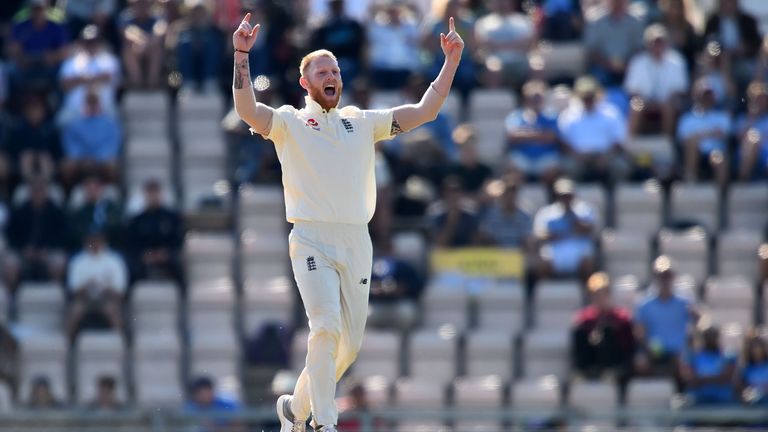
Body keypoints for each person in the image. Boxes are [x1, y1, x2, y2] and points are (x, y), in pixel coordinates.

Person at [232, 10, 465, 432]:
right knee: (325, 327)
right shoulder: (288, 122)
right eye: (322, 71)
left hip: (357, 240)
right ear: (305, 82)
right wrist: (241, 55)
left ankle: (295, 409)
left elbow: (425, 111)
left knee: (348, 346)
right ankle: (324, 422)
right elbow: (247, 110)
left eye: (335, 70)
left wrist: (450, 62)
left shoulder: (362, 122)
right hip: (311, 238)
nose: (331, 76)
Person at [634, 256, 699, 378]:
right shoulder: (644, 305)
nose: (664, 279)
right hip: (653, 354)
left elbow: (698, 324)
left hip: (679, 355)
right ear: (655, 277)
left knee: (687, 364)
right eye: (661, 276)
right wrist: (646, 350)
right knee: (640, 362)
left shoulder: (685, 303)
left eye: (668, 275)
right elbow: (640, 333)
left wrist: (696, 316)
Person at [558, 76, 630, 184]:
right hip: (578, 157)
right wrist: (577, 156)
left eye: (590, 96)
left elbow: (619, 141)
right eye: (584, 96)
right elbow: (564, 143)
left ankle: (614, 194)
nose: (588, 99)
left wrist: (606, 157)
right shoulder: (568, 115)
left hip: (607, 155)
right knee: (567, 167)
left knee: (620, 167)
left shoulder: (611, 113)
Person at [624, 24, 688, 137]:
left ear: (666, 43)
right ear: (647, 44)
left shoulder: (677, 62)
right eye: (654, 42)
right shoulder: (638, 62)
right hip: (644, 101)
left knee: (668, 106)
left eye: (660, 42)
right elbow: (632, 90)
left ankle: (667, 141)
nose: (657, 45)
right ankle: (631, 141)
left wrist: (664, 101)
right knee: (636, 106)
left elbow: (680, 89)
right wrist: (646, 101)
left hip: (668, 101)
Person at [3, 177, 67, 290]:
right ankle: (12, 295)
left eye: (41, 190)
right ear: (30, 192)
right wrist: (23, 248)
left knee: (59, 261)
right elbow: (11, 235)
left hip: (48, 252)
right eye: (35, 191)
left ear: (46, 192)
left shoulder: (56, 212)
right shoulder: (19, 211)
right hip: (24, 252)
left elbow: (62, 236)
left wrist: (48, 249)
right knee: (10, 262)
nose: (38, 194)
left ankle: (55, 293)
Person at [571, 272, 634, 380]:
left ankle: (610, 371)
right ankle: (582, 372)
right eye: (596, 294)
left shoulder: (621, 316)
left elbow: (628, 344)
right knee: (580, 332)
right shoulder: (585, 317)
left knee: (607, 330)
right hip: (593, 357)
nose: (599, 298)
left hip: (616, 359)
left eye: (603, 293)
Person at [66, 230, 127, 341]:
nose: (95, 243)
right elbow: (73, 291)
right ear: (86, 242)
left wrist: (103, 287)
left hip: (107, 299)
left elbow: (120, 292)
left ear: (104, 242)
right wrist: (88, 285)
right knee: (74, 311)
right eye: (92, 240)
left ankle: (119, 344)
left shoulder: (114, 261)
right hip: (84, 300)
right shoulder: (78, 261)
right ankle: (68, 345)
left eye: (98, 240)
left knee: (113, 311)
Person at [533, 177, 596, 281]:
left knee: (588, 263)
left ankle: (584, 289)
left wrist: (575, 221)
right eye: (563, 196)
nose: (566, 199)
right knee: (543, 264)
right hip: (555, 250)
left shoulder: (584, 211)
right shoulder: (546, 213)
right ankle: (546, 288)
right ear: (557, 196)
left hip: (578, 249)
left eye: (568, 196)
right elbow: (539, 234)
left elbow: (592, 229)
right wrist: (554, 235)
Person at [58, 24, 120, 126]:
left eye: (94, 41)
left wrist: (81, 79)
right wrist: (93, 78)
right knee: (61, 122)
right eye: (88, 42)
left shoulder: (110, 61)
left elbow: (110, 79)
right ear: (81, 43)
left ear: (100, 42)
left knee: (115, 120)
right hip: (76, 110)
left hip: (104, 110)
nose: (91, 45)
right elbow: (65, 85)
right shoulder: (70, 63)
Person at [125, 179, 184, 283]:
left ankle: (181, 291)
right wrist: (145, 254)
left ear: (160, 194)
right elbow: (131, 242)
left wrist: (165, 253)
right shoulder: (137, 220)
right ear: (145, 195)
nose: (153, 196)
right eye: (150, 193)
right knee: (131, 267)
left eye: (155, 192)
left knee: (179, 265)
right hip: (144, 256)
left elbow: (177, 239)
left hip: (166, 255)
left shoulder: (171, 217)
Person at [677, 78, 732, 186]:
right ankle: (690, 182)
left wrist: (700, 135)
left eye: (709, 95)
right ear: (696, 96)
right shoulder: (687, 118)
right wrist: (711, 133)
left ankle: (722, 191)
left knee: (719, 158)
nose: (706, 98)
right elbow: (684, 139)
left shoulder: (722, 116)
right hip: (695, 152)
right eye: (704, 95)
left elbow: (724, 134)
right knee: (692, 144)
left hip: (715, 152)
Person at [505, 79, 561, 184]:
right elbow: (512, 136)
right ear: (525, 99)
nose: (535, 101)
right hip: (523, 157)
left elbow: (551, 137)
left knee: (553, 168)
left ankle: (548, 193)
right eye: (532, 98)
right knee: (512, 166)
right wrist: (540, 134)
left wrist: (525, 135)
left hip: (545, 158)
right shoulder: (516, 115)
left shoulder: (552, 116)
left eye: (538, 98)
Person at [60, 92, 122, 185]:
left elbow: (112, 145)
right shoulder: (75, 124)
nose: (92, 106)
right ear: (85, 104)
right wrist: (82, 156)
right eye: (89, 103)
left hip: (102, 159)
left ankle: (112, 190)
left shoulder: (110, 124)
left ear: (99, 104)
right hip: (81, 158)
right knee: (67, 166)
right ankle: (68, 191)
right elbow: (71, 144)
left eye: (94, 103)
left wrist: (98, 158)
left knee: (112, 165)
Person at [7, 0, 69, 90]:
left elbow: (64, 52)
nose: (37, 12)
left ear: (46, 8)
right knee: (11, 71)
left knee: (63, 72)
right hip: (25, 65)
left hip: (49, 66)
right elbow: (12, 50)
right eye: (34, 8)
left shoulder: (56, 27)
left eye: (40, 9)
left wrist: (51, 56)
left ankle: (56, 98)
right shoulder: (20, 26)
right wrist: (23, 58)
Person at [474, 0, 536, 88]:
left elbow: (529, 42)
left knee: (536, 67)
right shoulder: (483, 23)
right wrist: (515, 44)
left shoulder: (523, 20)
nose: (503, 4)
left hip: (521, 59)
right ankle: (495, 95)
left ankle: (535, 95)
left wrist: (499, 45)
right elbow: (483, 44)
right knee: (493, 69)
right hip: (495, 60)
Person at [583, 0, 643, 86]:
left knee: (639, 75)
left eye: (621, 1)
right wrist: (607, 64)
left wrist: (627, 65)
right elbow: (591, 50)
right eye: (615, 1)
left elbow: (638, 48)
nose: (618, 4)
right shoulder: (596, 21)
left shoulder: (635, 22)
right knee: (597, 77)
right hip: (602, 66)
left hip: (628, 66)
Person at [703, 0, 761, 86]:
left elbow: (757, 43)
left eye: (731, 2)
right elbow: (708, 43)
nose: (728, 5)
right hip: (720, 63)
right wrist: (722, 53)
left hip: (744, 59)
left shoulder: (748, 21)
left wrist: (745, 47)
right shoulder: (712, 22)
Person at [308, 0, 365, 85]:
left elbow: (361, 47)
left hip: (351, 62)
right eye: (334, 5)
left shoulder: (353, 25)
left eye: (339, 4)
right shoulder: (323, 28)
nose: (337, 7)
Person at [367, 1, 421, 90]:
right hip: (382, 70)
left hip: (404, 70)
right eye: (391, 12)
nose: (394, 15)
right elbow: (370, 14)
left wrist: (402, 4)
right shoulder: (378, 28)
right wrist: (385, 5)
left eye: (396, 11)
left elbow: (418, 15)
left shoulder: (411, 27)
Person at [7, 93, 59, 182]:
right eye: (31, 110)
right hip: (24, 161)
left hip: (46, 159)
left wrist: (40, 154)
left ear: (43, 111)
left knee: (44, 158)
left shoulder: (49, 129)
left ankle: (44, 185)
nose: (35, 113)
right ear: (26, 112)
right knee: (27, 157)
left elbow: (56, 150)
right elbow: (13, 151)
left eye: (37, 109)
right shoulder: (19, 129)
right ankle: (29, 184)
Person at [679, 326, 737, 405]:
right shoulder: (694, 356)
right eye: (708, 336)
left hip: (722, 398)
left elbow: (726, 378)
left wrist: (703, 378)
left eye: (713, 336)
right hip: (699, 397)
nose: (710, 339)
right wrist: (715, 378)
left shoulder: (728, 355)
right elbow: (691, 380)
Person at [476, 175, 533, 249]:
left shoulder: (525, 217)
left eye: (512, 193)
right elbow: (486, 237)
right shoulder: (491, 216)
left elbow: (527, 240)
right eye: (506, 193)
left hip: (517, 254)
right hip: (495, 254)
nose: (509, 197)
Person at [68, 174, 122, 250]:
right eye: (89, 188)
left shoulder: (111, 209)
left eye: (95, 187)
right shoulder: (81, 212)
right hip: (87, 248)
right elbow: (78, 232)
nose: (92, 191)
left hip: (109, 248)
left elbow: (117, 227)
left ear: (101, 188)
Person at [118, 0, 164, 89]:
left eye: (144, 3)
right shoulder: (126, 17)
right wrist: (142, 42)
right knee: (128, 49)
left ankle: (152, 82)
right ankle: (137, 82)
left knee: (156, 50)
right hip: (136, 49)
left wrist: (146, 44)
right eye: (138, 3)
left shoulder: (157, 16)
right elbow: (128, 33)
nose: (141, 6)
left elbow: (159, 33)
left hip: (151, 48)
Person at [428, 176, 479, 248]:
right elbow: (440, 244)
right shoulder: (435, 213)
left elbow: (475, 243)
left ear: (462, 192)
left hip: (465, 252)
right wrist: (451, 220)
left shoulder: (470, 214)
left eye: (456, 190)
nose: (452, 194)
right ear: (443, 193)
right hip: (444, 253)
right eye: (448, 190)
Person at [737, 81, 768, 181]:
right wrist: (752, 118)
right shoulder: (743, 119)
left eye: (764, 98)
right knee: (752, 142)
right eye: (758, 99)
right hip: (748, 154)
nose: (761, 102)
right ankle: (743, 181)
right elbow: (739, 137)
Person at [738, 331, 768, 405]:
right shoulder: (746, 368)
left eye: (758, 347)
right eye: (753, 348)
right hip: (753, 401)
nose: (756, 350)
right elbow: (741, 387)